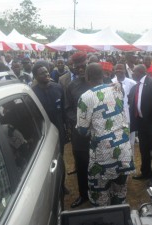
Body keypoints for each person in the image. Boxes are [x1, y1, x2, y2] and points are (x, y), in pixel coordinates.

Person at [76, 63, 135, 206]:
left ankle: (105, 217)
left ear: (87, 76)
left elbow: (82, 130)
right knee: (120, 189)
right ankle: (119, 214)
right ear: (103, 75)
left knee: (99, 193)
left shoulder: (86, 97)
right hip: (124, 149)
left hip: (103, 154)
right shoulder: (117, 88)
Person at [65, 52, 91, 208]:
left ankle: (101, 192)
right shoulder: (71, 86)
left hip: (99, 133)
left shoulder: (98, 82)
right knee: (82, 165)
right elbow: (68, 109)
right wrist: (81, 123)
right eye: (78, 67)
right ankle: (84, 194)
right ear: (74, 68)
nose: (81, 70)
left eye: (83, 66)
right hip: (80, 134)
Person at [31, 62, 66, 152]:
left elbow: (63, 108)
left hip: (59, 128)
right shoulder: (33, 93)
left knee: (60, 152)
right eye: (42, 73)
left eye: (46, 71)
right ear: (35, 77)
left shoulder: (58, 88)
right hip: (44, 131)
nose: (46, 74)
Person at [111, 63, 136, 156]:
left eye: (120, 69)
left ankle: (131, 161)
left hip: (129, 116)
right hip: (115, 117)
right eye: (116, 69)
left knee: (130, 142)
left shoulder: (132, 83)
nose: (118, 71)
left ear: (125, 70)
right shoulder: (110, 82)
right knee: (118, 141)